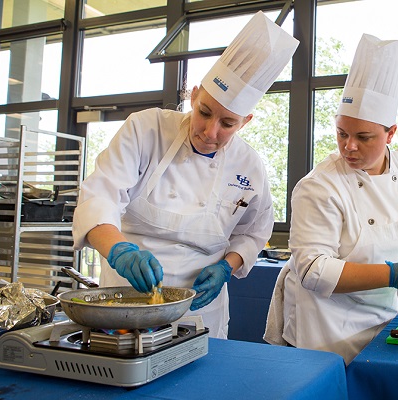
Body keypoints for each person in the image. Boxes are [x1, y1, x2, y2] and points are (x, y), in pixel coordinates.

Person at [72, 11, 299, 338]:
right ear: (193, 96)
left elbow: (253, 233)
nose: (210, 131)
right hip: (126, 302)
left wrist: (228, 265)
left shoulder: (249, 166)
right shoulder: (146, 130)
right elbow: (99, 199)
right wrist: (120, 251)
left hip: (201, 312)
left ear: (245, 121)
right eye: (204, 112)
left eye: (227, 123)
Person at [263, 34, 398, 364]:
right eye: (342, 133)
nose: (349, 146)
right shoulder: (319, 186)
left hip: (383, 321)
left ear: (391, 133)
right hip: (327, 332)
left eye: (363, 137)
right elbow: (313, 270)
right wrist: (392, 275)